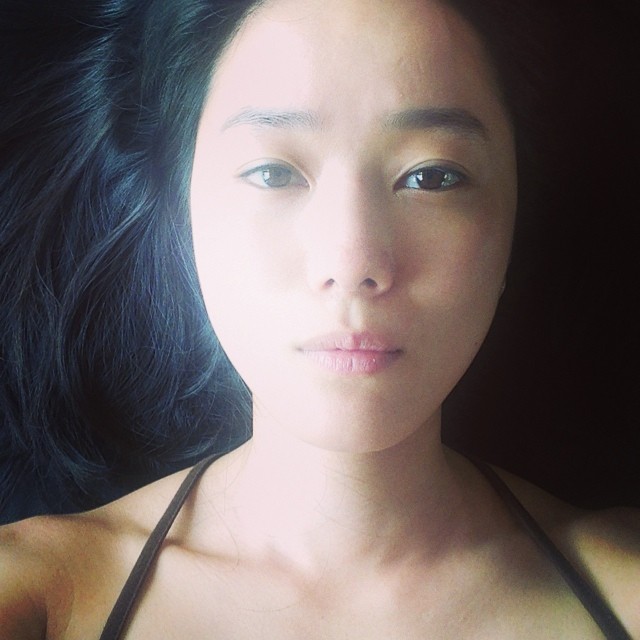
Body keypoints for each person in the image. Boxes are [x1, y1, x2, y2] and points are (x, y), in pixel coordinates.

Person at [0, 0, 638, 638]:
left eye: (432, 176)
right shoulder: (38, 595)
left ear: (513, 221)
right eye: (273, 172)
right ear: (183, 217)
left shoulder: (624, 589)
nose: (352, 261)